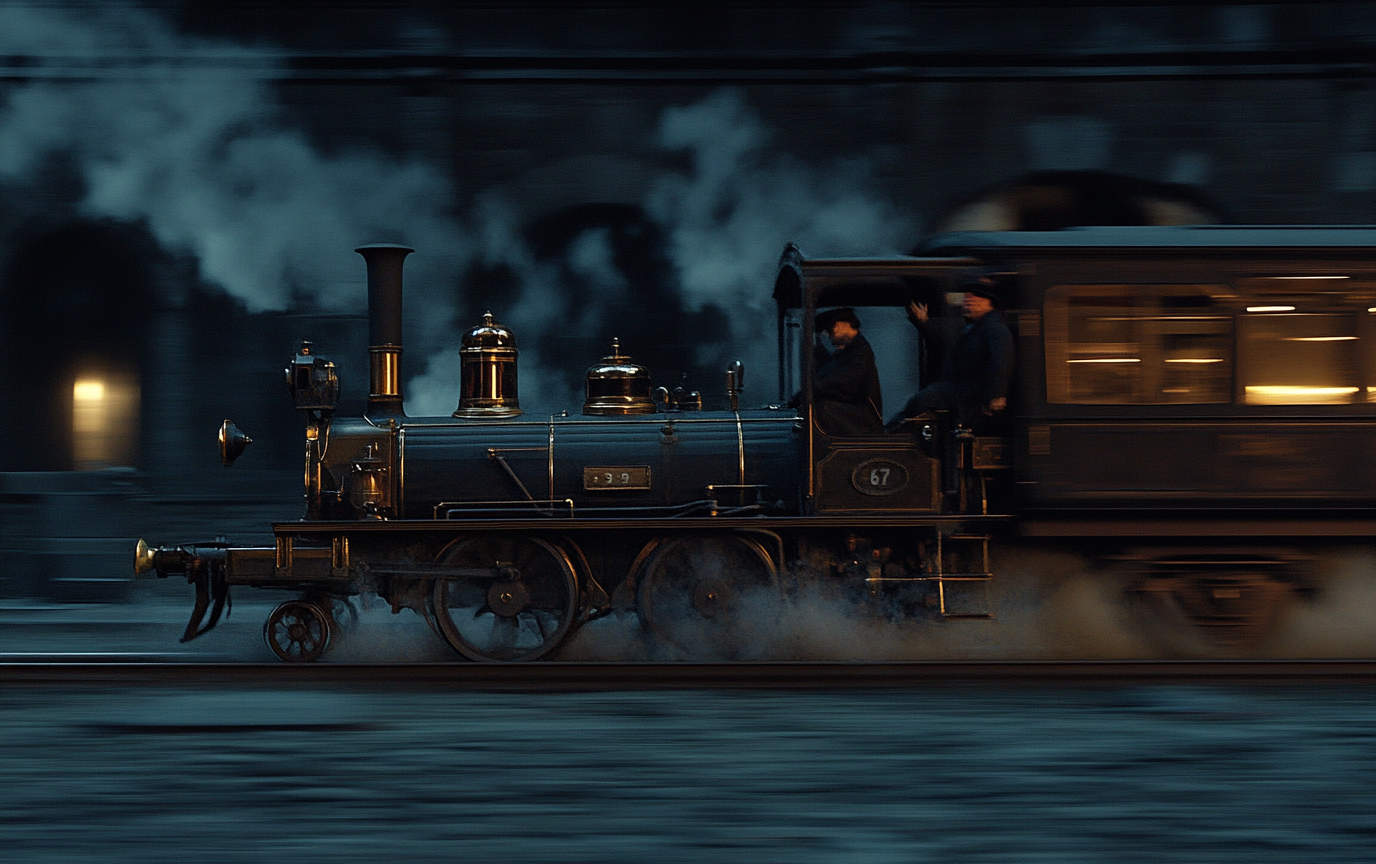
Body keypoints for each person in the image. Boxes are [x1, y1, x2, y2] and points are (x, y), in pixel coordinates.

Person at [887, 278, 1014, 431]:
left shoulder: (995, 328)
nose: (968, 300)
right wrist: (923, 322)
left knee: (925, 398)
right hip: (960, 387)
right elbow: (946, 340)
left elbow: (1001, 360)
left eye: (974, 297)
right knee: (922, 399)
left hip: (971, 390)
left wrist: (996, 395)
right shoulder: (972, 328)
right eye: (967, 297)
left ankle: (896, 431)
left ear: (988, 302)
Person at [808, 307, 884, 436]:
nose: (828, 333)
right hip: (854, 415)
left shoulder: (860, 353)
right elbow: (828, 375)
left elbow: (843, 383)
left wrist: (814, 387)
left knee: (824, 409)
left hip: (863, 422)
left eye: (831, 326)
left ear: (846, 324)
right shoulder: (846, 354)